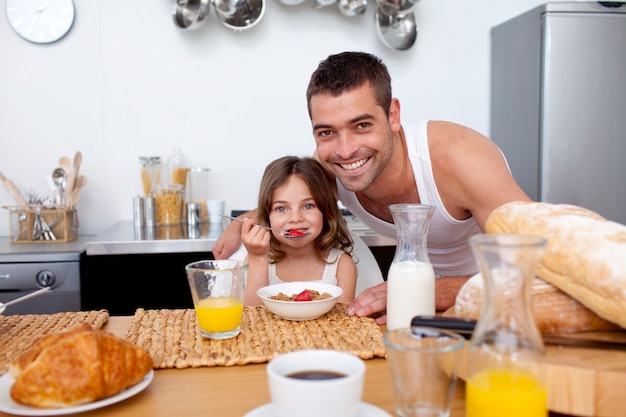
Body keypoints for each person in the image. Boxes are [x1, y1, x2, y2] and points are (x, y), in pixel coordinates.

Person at [213, 52, 530, 322]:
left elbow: (540, 271)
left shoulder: (461, 159)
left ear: (393, 115)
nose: (345, 150)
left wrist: (429, 291)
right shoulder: (328, 165)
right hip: (410, 308)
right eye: (326, 132)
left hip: (494, 309)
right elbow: (289, 196)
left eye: (362, 125)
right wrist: (249, 219)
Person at [240, 156, 357, 306]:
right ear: (268, 216)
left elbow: (343, 324)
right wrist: (257, 258)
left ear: (325, 210)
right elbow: (253, 318)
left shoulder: (342, 266)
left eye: (308, 206)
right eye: (281, 208)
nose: (295, 218)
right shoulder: (255, 260)